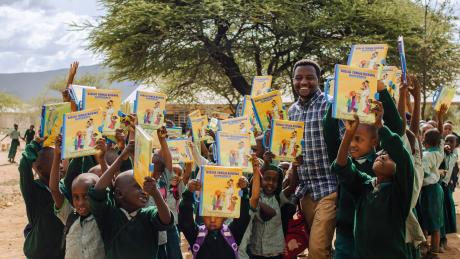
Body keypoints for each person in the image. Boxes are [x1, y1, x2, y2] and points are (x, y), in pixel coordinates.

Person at [332, 109, 414, 258]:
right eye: (382, 154)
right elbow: (341, 167)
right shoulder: (364, 187)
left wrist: (379, 125)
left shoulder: (400, 192)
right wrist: (348, 134)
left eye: (389, 157)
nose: (382, 157)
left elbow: (402, 157)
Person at [89, 136, 173, 259]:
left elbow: (166, 220)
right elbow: (97, 191)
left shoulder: (148, 214)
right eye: (137, 187)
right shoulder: (109, 215)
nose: (143, 191)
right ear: (119, 194)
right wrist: (121, 157)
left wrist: (155, 193)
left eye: (144, 187)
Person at [287, 59, 338, 258]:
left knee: (317, 249)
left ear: (319, 80)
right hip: (305, 190)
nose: (304, 82)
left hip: (330, 187)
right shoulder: (292, 111)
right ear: (293, 80)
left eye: (310, 77)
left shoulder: (331, 105)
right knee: (318, 246)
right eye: (298, 78)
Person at [49, 135, 106, 259]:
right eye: (76, 197)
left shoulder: (104, 216)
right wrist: (57, 155)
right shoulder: (70, 215)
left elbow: (109, 187)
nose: (80, 203)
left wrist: (102, 160)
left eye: (86, 197)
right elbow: (54, 189)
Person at [179, 168, 256, 259]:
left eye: (217, 216)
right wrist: (189, 193)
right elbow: (185, 218)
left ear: (225, 217)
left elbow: (243, 217)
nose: (212, 220)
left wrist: (244, 191)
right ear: (202, 215)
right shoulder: (196, 235)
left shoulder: (233, 233)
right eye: (208, 216)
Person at [19, 136, 64, 259]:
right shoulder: (33, 190)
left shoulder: (63, 187)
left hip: (60, 252)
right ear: (39, 169)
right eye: (54, 161)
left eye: (60, 161)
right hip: (40, 253)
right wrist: (34, 145)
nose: (60, 165)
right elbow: (24, 167)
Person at [247, 153, 299, 259]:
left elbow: (292, 186)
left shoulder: (279, 198)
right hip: (256, 250)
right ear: (261, 180)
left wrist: (294, 166)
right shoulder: (255, 196)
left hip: (275, 251)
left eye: (274, 180)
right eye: (267, 179)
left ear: (279, 183)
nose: (270, 183)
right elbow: (253, 183)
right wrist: (265, 164)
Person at [419, 105, 447, 256]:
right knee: (435, 221)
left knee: (426, 219)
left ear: (425, 141)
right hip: (437, 189)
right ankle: (433, 249)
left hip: (428, 190)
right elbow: (440, 135)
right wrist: (440, 118)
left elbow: (421, 172)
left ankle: (428, 249)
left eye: (423, 136)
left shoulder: (427, 156)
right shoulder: (439, 151)